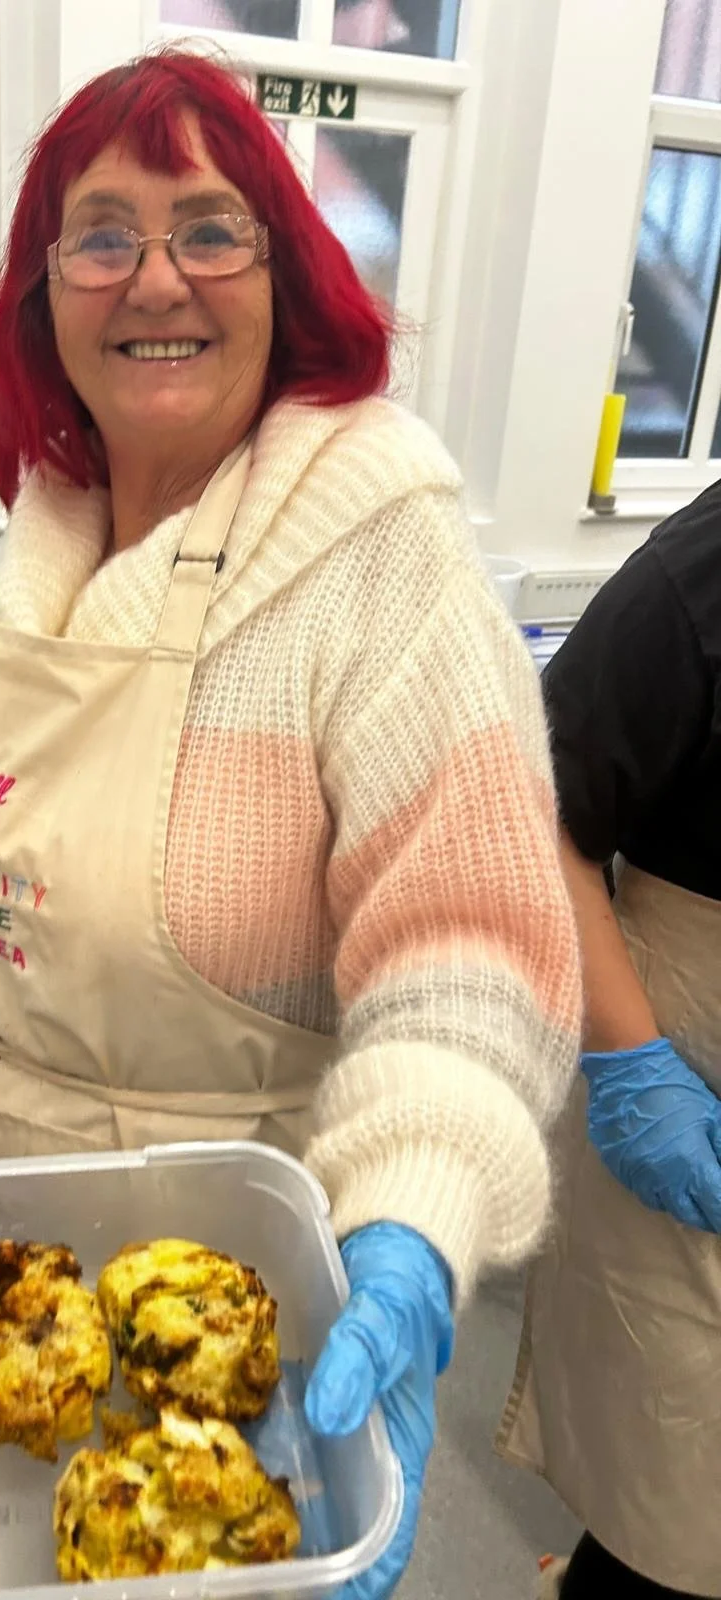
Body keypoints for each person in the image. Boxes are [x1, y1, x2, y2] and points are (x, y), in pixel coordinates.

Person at [0, 51, 581, 1596]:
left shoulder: (376, 542)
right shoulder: (60, 517)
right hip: (0, 1257)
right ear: (45, 292)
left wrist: (410, 1215)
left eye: (210, 228)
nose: (156, 277)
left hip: (228, 1325)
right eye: (102, 233)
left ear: (288, 271)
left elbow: (469, 951)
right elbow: (115, 815)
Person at [498, 488, 721, 1599]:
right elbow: (535, 808)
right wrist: (632, 1065)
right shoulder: (702, 573)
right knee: (679, 1498)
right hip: (690, 1067)